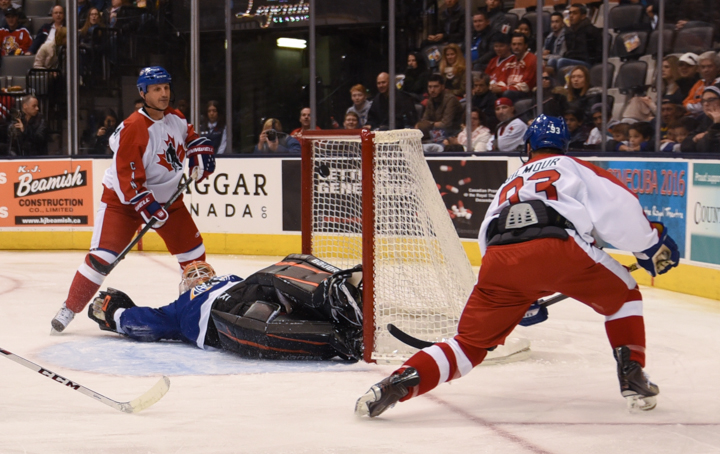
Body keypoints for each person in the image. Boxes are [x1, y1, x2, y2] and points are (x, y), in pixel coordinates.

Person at [355, 114, 679, 418]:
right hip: (560, 248)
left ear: (527, 148)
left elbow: (489, 235)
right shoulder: (573, 166)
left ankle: (399, 381)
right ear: (565, 146)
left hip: (499, 261)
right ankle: (632, 376)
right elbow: (616, 207)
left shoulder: (511, 181)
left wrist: (523, 298)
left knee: (468, 345)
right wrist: (650, 246)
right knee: (624, 297)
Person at [50, 66, 216, 333]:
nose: (164, 94)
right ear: (143, 93)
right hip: (123, 204)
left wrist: (200, 150)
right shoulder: (134, 129)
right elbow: (127, 177)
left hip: (168, 202)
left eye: (166, 88)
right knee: (102, 258)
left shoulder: (175, 117)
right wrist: (145, 204)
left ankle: (198, 307)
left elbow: (190, 136)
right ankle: (70, 307)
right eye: (156, 89)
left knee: (195, 257)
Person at [85, 254, 364, 361]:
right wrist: (117, 315)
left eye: (201, 272)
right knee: (255, 327)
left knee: (280, 270)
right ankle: (337, 337)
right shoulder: (180, 305)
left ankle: (336, 292)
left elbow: (263, 284)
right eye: (191, 275)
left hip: (247, 289)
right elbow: (149, 322)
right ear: (184, 284)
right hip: (222, 321)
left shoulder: (229, 278)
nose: (197, 277)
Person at [416, 73, 463, 144]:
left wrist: (429, 124)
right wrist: (426, 124)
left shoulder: (450, 99)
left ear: (442, 87)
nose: (432, 90)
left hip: (452, 132)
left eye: (436, 87)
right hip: (435, 131)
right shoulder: (430, 99)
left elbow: (446, 124)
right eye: (430, 87)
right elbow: (424, 120)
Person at [554, 3, 602, 72]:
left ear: (583, 16)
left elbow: (597, 53)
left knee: (562, 62)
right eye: (570, 13)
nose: (571, 16)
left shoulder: (591, 31)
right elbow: (569, 51)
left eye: (574, 13)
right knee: (552, 61)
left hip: (587, 63)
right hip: (572, 60)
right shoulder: (569, 31)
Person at [494, 33, 537, 102]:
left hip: (525, 93)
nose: (516, 47)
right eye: (514, 44)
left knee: (507, 93)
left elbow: (526, 86)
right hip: (509, 89)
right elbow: (502, 80)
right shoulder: (510, 60)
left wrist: (502, 89)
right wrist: (495, 87)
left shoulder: (532, 60)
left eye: (519, 44)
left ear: (525, 45)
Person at [682, 85, 720, 152]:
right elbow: (685, 146)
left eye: (711, 100)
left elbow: (709, 149)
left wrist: (716, 125)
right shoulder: (704, 120)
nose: (706, 104)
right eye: (703, 101)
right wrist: (695, 138)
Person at [683, 51, 720, 116]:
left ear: (717, 68)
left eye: (710, 66)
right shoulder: (699, 83)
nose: (706, 70)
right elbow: (686, 103)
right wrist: (698, 105)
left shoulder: (718, 83)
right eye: (703, 67)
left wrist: (696, 104)